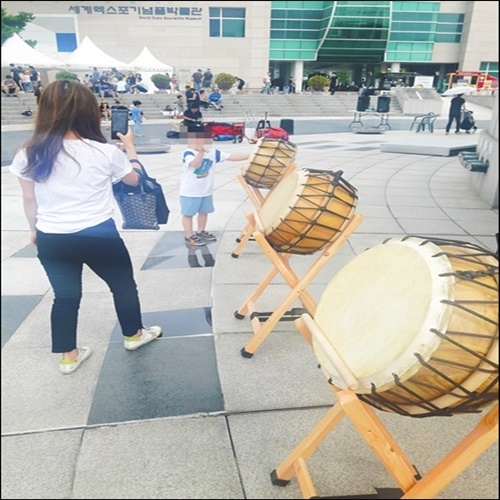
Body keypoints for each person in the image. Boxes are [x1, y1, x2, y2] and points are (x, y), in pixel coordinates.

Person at [8, 79, 162, 374]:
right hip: (99, 234)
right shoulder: (104, 152)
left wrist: (34, 229)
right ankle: (134, 335)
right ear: (89, 112)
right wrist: (130, 149)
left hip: (52, 236)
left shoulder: (28, 152)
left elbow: (30, 200)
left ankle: (68, 356)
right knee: (122, 285)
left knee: (65, 296)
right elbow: (134, 181)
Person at [180, 130, 250, 247]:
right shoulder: (188, 153)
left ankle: (201, 231)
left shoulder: (213, 153)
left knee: (204, 212)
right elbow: (194, 164)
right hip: (190, 191)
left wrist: (250, 156)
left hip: (206, 191)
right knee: (188, 214)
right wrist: (201, 152)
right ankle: (189, 235)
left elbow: (231, 157)